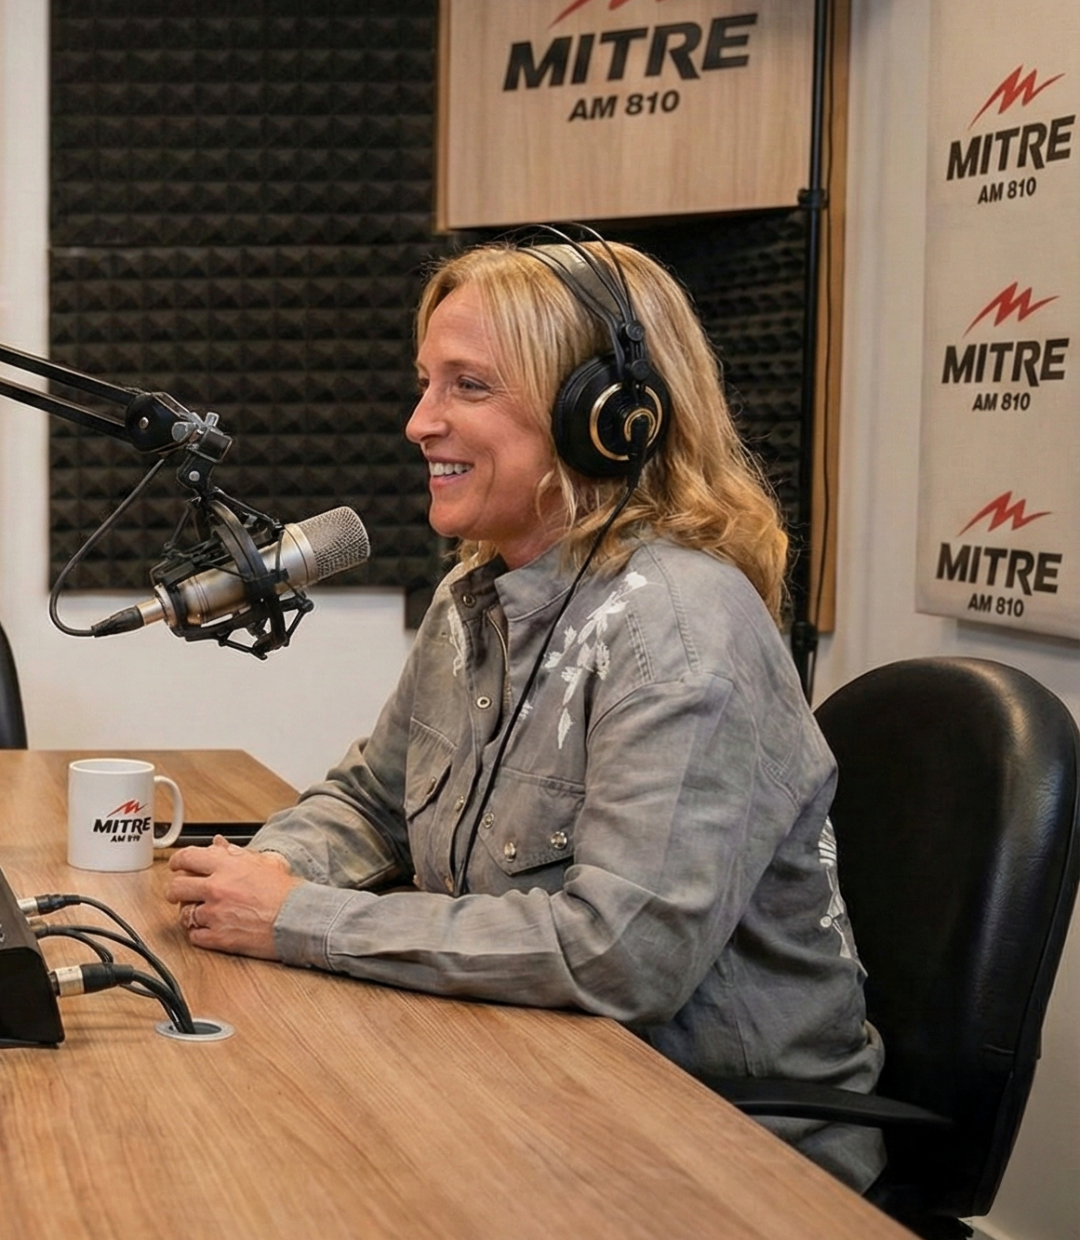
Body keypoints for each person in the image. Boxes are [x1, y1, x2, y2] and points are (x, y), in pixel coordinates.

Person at [166, 235, 885, 1191]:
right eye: (426, 382)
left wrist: (300, 918)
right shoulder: (479, 595)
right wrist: (269, 866)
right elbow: (374, 799)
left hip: (722, 1147)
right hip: (535, 1075)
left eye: (469, 386)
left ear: (606, 418)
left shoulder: (680, 633)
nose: (421, 421)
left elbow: (619, 953)